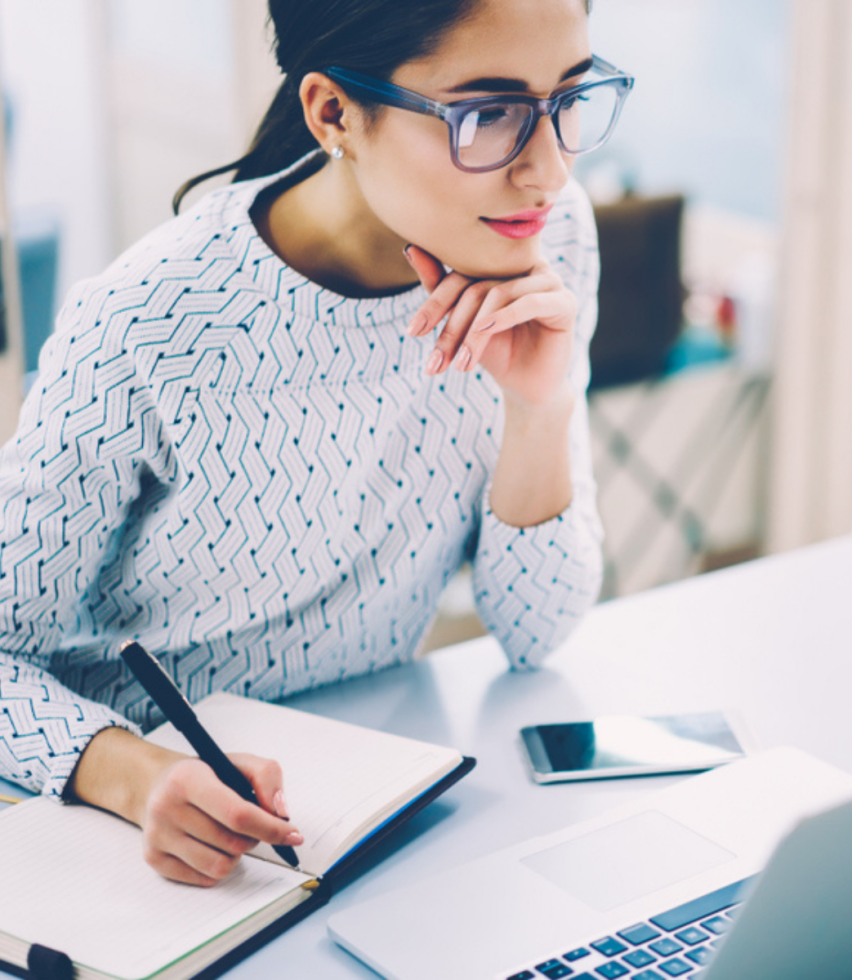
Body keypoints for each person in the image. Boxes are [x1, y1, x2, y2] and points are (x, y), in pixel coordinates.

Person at [0, 0, 629, 886]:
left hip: (368, 809)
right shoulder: (147, 323)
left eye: (568, 99)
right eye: (488, 115)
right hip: (136, 841)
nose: (547, 172)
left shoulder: (544, 243)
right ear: (333, 112)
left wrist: (540, 407)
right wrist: (134, 776)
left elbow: (538, 631)